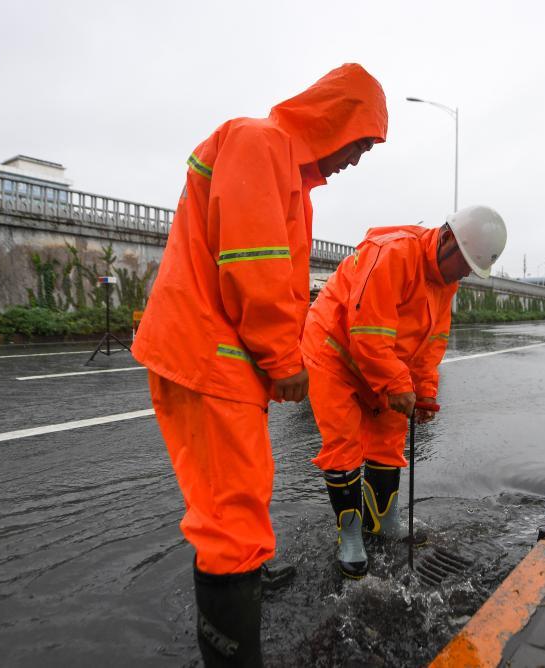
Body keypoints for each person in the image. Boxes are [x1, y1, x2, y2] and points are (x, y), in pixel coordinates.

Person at [131, 63, 387, 665]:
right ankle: (233, 633)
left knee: (240, 496)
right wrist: (283, 360)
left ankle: (244, 576)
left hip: (212, 354)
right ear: (334, 118)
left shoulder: (281, 166)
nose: (357, 158)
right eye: (359, 141)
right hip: (209, 354)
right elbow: (255, 262)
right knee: (230, 518)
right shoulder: (260, 143)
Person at [302, 206, 507, 577]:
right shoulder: (394, 253)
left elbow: (433, 341)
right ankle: (350, 535)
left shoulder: (446, 283)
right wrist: (396, 383)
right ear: (446, 239)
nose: (460, 275)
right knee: (344, 445)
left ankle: (382, 520)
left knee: (390, 437)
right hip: (335, 353)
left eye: (469, 272)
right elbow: (366, 331)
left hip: (382, 360)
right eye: (461, 265)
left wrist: (424, 391)